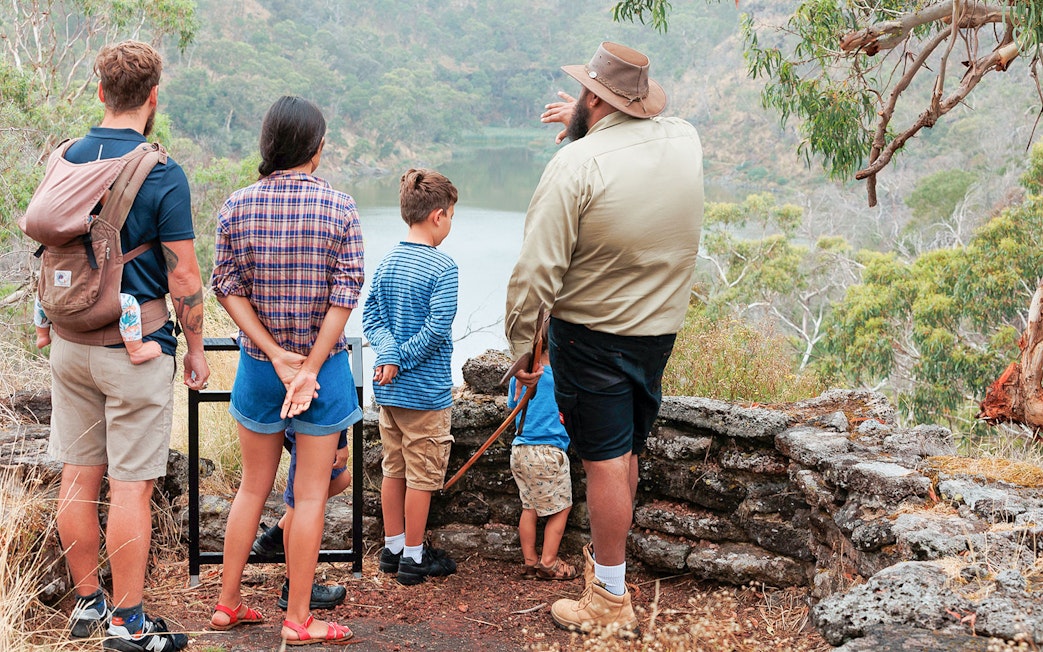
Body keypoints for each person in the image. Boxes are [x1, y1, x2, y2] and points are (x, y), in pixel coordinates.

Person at [504, 42, 704, 636]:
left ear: (594, 98)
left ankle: (609, 601)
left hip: (592, 334)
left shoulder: (574, 166)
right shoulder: (685, 140)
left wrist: (523, 348)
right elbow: (633, 144)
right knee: (626, 453)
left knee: (603, 462)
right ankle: (611, 577)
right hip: (658, 329)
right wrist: (588, 122)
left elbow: (536, 272)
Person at [46, 40, 210, 652]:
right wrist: (194, 348)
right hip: (134, 349)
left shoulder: (64, 157)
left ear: (98, 93)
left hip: (69, 342)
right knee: (131, 486)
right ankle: (128, 624)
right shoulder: (160, 170)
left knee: (78, 477)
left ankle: (87, 604)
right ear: (152, 98)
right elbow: (185, 278)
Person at [209, 95, 363, 645]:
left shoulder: (237, 205)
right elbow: (345, 297)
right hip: (323, 375)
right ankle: (298, 618)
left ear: (269, 144)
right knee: (312, 494)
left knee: (252, 489)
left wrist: (274, 354)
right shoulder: (341, 208)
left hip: (257, 368)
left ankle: (228, 604)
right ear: (317, 149)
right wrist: (308, 367)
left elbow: (225, 286)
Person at [362, 169, 460, 586]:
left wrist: (389, 354)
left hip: (390, 391)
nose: (451, 223)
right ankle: (414, 559)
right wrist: (400, 357)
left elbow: (371, 316)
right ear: (437, 216)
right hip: (425, 393)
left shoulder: (388, 262)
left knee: (394, 468)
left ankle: (393, 547)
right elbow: (438, 329)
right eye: (452, 215)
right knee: (422, 474)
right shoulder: (444, 267)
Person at [251, 426, 351, 610]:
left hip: (290, 418)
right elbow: (331, 397)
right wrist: (341, 441)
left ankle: (276, 536)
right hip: (314, 422)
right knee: (303, 501)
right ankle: (297, 590)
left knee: (339, 480)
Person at [507, 349, 577, 581]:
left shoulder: (522, 373)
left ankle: (529, 562)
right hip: (548, 452)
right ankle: (548, 562)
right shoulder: (562, 375)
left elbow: (512, 404)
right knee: (562, 508)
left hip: (520, 450)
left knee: (530, 507)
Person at [35, 293, 162, 364]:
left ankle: (42, 335)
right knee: (129, 303)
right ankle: (135, 349)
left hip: (61, 289)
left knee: (41, 296)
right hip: (87, 289)